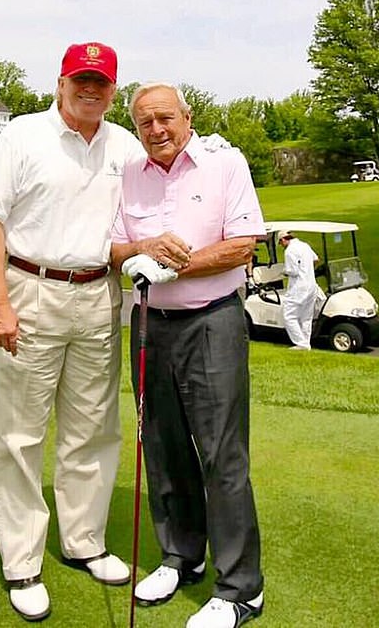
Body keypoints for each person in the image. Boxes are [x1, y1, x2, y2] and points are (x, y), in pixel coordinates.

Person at [0, 41, 140, 621]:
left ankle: (84, 541)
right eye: (80, 79)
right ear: (61, 82)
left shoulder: (124, 144)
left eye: (101, 81)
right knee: (19, 434)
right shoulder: (21, 136)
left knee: (93, 428)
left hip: (99, 293)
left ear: (113, 88)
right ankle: (22, 562)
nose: (90, 90)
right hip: (29, 289)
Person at [110, 82, 266, 628]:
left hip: (212, 321)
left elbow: (243, 243)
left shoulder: (225, 163)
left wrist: (176, 264)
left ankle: (241, 588)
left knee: (222, 454)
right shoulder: (130, 172)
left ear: (187, 116)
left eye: (165, 118)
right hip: (150, 323)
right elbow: (114, 246)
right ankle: (181, 555)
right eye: (145, 122)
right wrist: (137, 255)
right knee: (162, 443)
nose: (157, 130)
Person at [277, 230, 319, 350]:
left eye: (281, 243)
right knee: (306, 316)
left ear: (283, 240)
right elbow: (316, 260)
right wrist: (307, 271)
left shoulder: (289, 251)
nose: (281, 246)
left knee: (289, 315)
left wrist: (284, 271)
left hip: (298, 287)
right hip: (311, 285)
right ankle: (306, 342)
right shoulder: (305, 245)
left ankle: (301, 343)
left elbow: (293, 271)